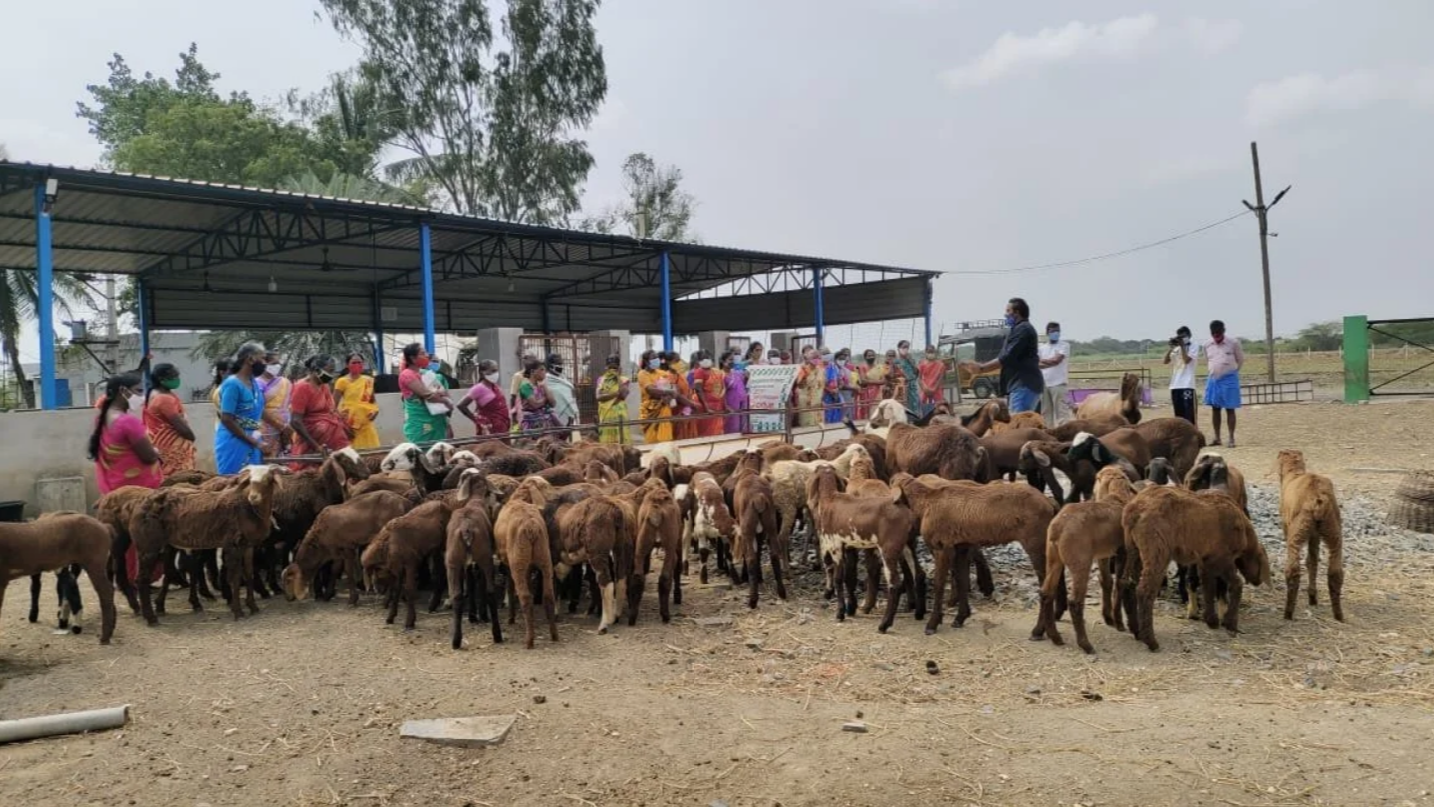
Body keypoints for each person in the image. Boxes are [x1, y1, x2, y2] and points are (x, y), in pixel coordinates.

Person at [90, 372, 164, 585]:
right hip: (137, 489)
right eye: (139, 391)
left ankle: (123, 576)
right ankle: (141, 576)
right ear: (124, 391)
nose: (143, 397)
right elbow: (148, 455)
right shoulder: (128, 422)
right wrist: (156, 451)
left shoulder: (102, 417)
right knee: (142, 532)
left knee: (121, 536)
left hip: (115, 486)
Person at [961, 297, 1044, 414]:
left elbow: (1007, 357)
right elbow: (1003, 356)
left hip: (1024, 385)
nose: (1005, 315)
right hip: (1019, 385)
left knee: (1018, 428)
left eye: (1008, 311)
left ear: (1017, 312)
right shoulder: (1016, 330)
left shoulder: (1023, 329)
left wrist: (982, 368)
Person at [215, 342, 267, 474]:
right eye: (262, 358)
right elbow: (227, 419)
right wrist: (254, 442)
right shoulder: (232, 384)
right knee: (233, 485)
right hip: (235, 442)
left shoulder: (254, 383)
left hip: (253, 440)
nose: (264, 363)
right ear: (250, 359)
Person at [289, 355, 352, 462]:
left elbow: (331, 410)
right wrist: (316, 446)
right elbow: (295, 421)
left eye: (333, 371)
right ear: (316, 370)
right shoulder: (302, 387)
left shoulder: (324, 386)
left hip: (329, 438)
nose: (331, 375)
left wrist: (342, 421)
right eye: (330, 371)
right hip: (312, 441)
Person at [143, 363, 196, 478]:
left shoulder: (154, 393)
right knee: (179, 481)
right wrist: (191, 437)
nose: (177, 379)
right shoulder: (164, 398)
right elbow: (179, 426)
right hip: (172, 450)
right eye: (174, 376)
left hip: (160, 447)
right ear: (162, 379)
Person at [398, 342, 453, 444]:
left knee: (439, 452)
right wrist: (446, 401)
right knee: (422, 452)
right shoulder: (407, 375)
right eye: (423, 353)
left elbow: (441, 391)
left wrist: (443, 397)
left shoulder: (425, 373)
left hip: (437, 419)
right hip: (421, 422)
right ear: (413, 358)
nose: (427, 355)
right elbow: (429, 395)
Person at [1202, 319, 1245, 447]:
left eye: (1219, 334)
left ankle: (1231, 438)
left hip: (1229, 379)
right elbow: (1207, 360)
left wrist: (1232, 372)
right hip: (1213, 379)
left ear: (1223, 331)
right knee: (1215, 409)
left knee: (1230, 409)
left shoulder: (1233, 343)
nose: (1216, 337)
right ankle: (1217, 438)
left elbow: (1241, 360)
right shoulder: (1207, 345)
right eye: (1214, 334)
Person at [637, 350, 694, 444]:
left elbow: (673, 386)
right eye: (653, 358)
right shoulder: (642, 374)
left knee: (665, 440)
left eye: (657, 358)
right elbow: (650, 390)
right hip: (650, 410)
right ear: (646, 361)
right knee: (652, 440)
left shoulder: (661, 373)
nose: (656, 360)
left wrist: (672, 391)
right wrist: (668, 392)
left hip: (664, 408)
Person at [334, 353, 380, 449]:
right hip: (349, 424)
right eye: (354, 362)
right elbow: (333, 406)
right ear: (347, 365)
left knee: (371, 455)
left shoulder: (368, 380)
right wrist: (343, 425)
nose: (357, 365)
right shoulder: (341, 381)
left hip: (366, 423)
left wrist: (375, 411)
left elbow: (372, 402)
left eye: (360, 362)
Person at [456, 360, 513, 437]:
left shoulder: (495, 387)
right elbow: (461, 405)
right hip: (489, 429)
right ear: (483, 372)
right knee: (489, 448)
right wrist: (477, 421)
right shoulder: (478, 388)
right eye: (493, 371)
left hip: (502, 427)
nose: (496, 373)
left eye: (496, 370)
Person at [255, 351, 293, 459]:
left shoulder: (284, 382)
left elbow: (290, 404)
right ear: (264, 364)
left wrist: (287, 426)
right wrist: (280, 426)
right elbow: (259, 409)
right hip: (266, 428)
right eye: (273, 363)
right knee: (268, 459)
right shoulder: (257, 383)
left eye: (278, 363)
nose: (277, 366)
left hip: (286, 428)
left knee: (285, 461)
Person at [1163, 325, 1198, 426]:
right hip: (1175, 384)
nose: (1181, 339)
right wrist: (1171, 348)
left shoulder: (1193, 345)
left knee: (1189, 413)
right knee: (1178, 413)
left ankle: (1192, 434)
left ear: (1189, 335)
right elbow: (1165, 361)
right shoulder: (1177, 348)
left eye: (1183, 336)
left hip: (1187, 384)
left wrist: (1183, 346)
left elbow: (1187, 360)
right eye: (1179, 337)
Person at [1038, 322, 1072, 426]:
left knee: (1061, 412)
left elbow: (1057, 361)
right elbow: (1036, 364)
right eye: (1053, 331)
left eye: (1057, 331)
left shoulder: (1064, 345)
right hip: (1044, 384)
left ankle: (1065, 435)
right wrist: (1050, 361)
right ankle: (1049, 434)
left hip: (1058, 383)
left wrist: (1042, 360)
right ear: (1047, 332)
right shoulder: (1041, 348)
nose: (1056, 333)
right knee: (1045, 413)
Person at [594, 354, 631, 444]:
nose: (612, 370)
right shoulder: (601, 380)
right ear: (606, 367)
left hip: (620, 415)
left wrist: (617, 377)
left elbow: (623, 395)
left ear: (619, 368)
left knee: (622, 440)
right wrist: (616, 394)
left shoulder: (624, 380)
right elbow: (599, 397)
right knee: (608, 442)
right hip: (606, 415)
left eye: (614, 368)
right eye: (610, 367)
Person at [690, 350, 727, 437]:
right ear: (699, 361)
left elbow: (722, 388)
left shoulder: (717, 371)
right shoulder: (700, 372)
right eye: (703, 358)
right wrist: (706, 407)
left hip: (717, 406)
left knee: (717, 432)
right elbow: (698, 389)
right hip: (705, 406)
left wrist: (725, 405)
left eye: (707, 357)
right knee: (706, 434)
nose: (706, 360)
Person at [516, 360, 558, 431]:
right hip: (531, 423)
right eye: (541, 369)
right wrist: (546, 398)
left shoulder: (541, 385)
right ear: (533, 371)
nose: (544, 372)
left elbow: (553, 403)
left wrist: (545, 387)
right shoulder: (525, 386)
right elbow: (535, 404)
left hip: (544, 422)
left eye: (545, 370)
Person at [544, 353, 579, 428]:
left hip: (570, 415)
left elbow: (572, 396)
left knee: (573, 437)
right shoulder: (546, 380)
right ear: (550, 365)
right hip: (555, 416)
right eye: (558, 363)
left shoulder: (563, 378)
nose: (561, 366)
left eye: (561, 363)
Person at [721, 351, 749, 434]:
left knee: (744, 428)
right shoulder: (721, 375)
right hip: (731, 406)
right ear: (723, 361)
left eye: (733, 360)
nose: (732, 362)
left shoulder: (737, 373)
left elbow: (745, 382)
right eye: (730, 359)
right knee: (733, 428)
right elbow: (720, 393)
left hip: (743, 404)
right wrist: (725, 406)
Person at [917, 344, 946, 417]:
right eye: (929, 352)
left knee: (939, 408)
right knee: (922, 407)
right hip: (925, 389)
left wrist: (934, 389)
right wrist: (924, 388)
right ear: (926, 353)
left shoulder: (940, 365)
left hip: (937, 390)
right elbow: (919, 378)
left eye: (932, 352)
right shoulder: (922, 364)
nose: (931, 354)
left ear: (935, 352)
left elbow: (941, 378)